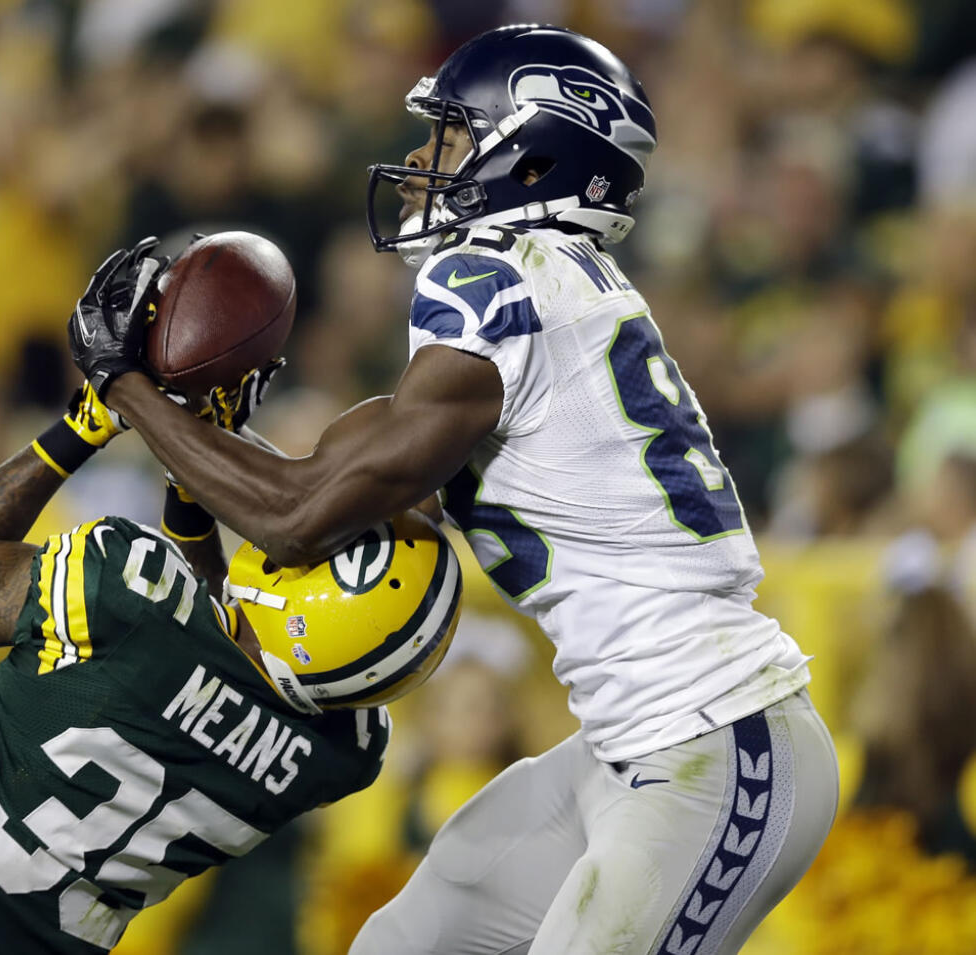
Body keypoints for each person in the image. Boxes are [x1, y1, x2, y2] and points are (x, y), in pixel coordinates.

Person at [69, 25, 840, 955]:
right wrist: (210, 436)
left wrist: (125, 387)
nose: (421, 159)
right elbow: (313, 489)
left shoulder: (495, 281)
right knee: (402, 942)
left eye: (450, 135)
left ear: (533, 154)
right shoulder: (548, 289)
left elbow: (300, 518)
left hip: (719, 744)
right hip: (630, 744)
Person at [0, 250, 463, 955]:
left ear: (304, 599)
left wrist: (93, 416)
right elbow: (218, 648)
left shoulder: (120, 591)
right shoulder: (342, 751)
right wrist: (192, 469)